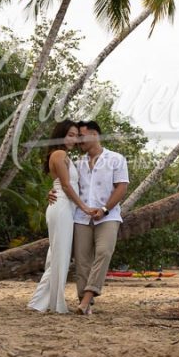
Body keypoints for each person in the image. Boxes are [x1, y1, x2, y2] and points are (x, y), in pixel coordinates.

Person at [48, 120, 129, 315]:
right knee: (82, 260)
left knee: (104, 252)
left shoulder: (116, 159)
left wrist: (104, 209)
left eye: (81, 136)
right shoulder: (77, 163)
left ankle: (86, 299)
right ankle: (84, 303)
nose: (78, 141)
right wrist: (51, 192)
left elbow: (122, 187)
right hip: (81, 217)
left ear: (94, 135)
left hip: (108, 216)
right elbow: (65, 183)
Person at [28, 120, 98, 314]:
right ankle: (49, 303)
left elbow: (63, 184)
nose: (74, 139)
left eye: (76, 135)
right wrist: (84, 207)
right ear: (60, 135)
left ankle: (40, 301)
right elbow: (66, 186)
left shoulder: (64, 156)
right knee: (60, 255)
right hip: (61, 207)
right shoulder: (59, 154)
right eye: (70, 135)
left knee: (57, 255)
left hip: (64, 207)